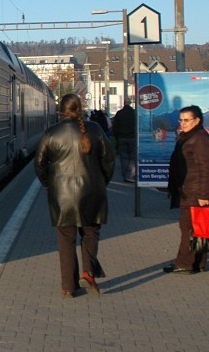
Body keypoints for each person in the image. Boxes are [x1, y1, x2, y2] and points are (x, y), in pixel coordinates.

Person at [35, 94, 116, 297]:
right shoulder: (95, 129)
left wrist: (48, 184)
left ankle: (68, 287)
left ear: (60, 110)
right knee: (90, 233)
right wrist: (103, 181)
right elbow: (110, 159)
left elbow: (39, 164)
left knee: (66, 241)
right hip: (93, 192)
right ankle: (88, 273)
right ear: (80, 109)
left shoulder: (52, 133)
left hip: (62, 197)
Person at [164, 105, 209, 274]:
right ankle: (198, 263)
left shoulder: (200, 139)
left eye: (187, 120)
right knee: (198, 228)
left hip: (195, 192)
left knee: (187, 227)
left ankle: (184, 263)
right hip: (189, 190)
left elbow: (206, 169)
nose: (183, 123)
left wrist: (203, 195)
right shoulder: (189, 137)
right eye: (181, 120)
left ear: (197, 120)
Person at [111, 103, 137, 182]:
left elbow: (115, 126)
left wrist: (116, 137)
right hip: (133, 137)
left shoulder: (119, 113)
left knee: (124, 157)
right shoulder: (134, 113)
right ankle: (130, 175)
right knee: (133, 157)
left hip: (121, 137)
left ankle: (125, 174)